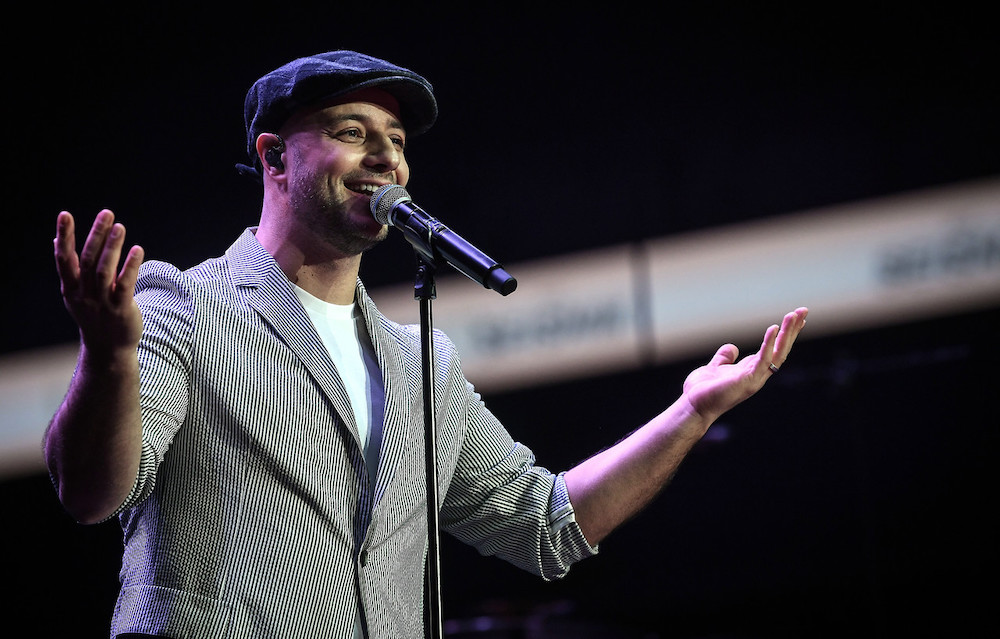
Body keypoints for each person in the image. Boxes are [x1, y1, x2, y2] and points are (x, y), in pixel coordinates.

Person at [45, 51, 809, 638]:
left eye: (397, 141)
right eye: (353, 133)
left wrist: (688, 415)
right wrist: (109, 357)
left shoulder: (421, 361)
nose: (388, 158)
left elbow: (544, 524)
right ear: (274, 156)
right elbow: (92, 492)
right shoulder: (184, 303)